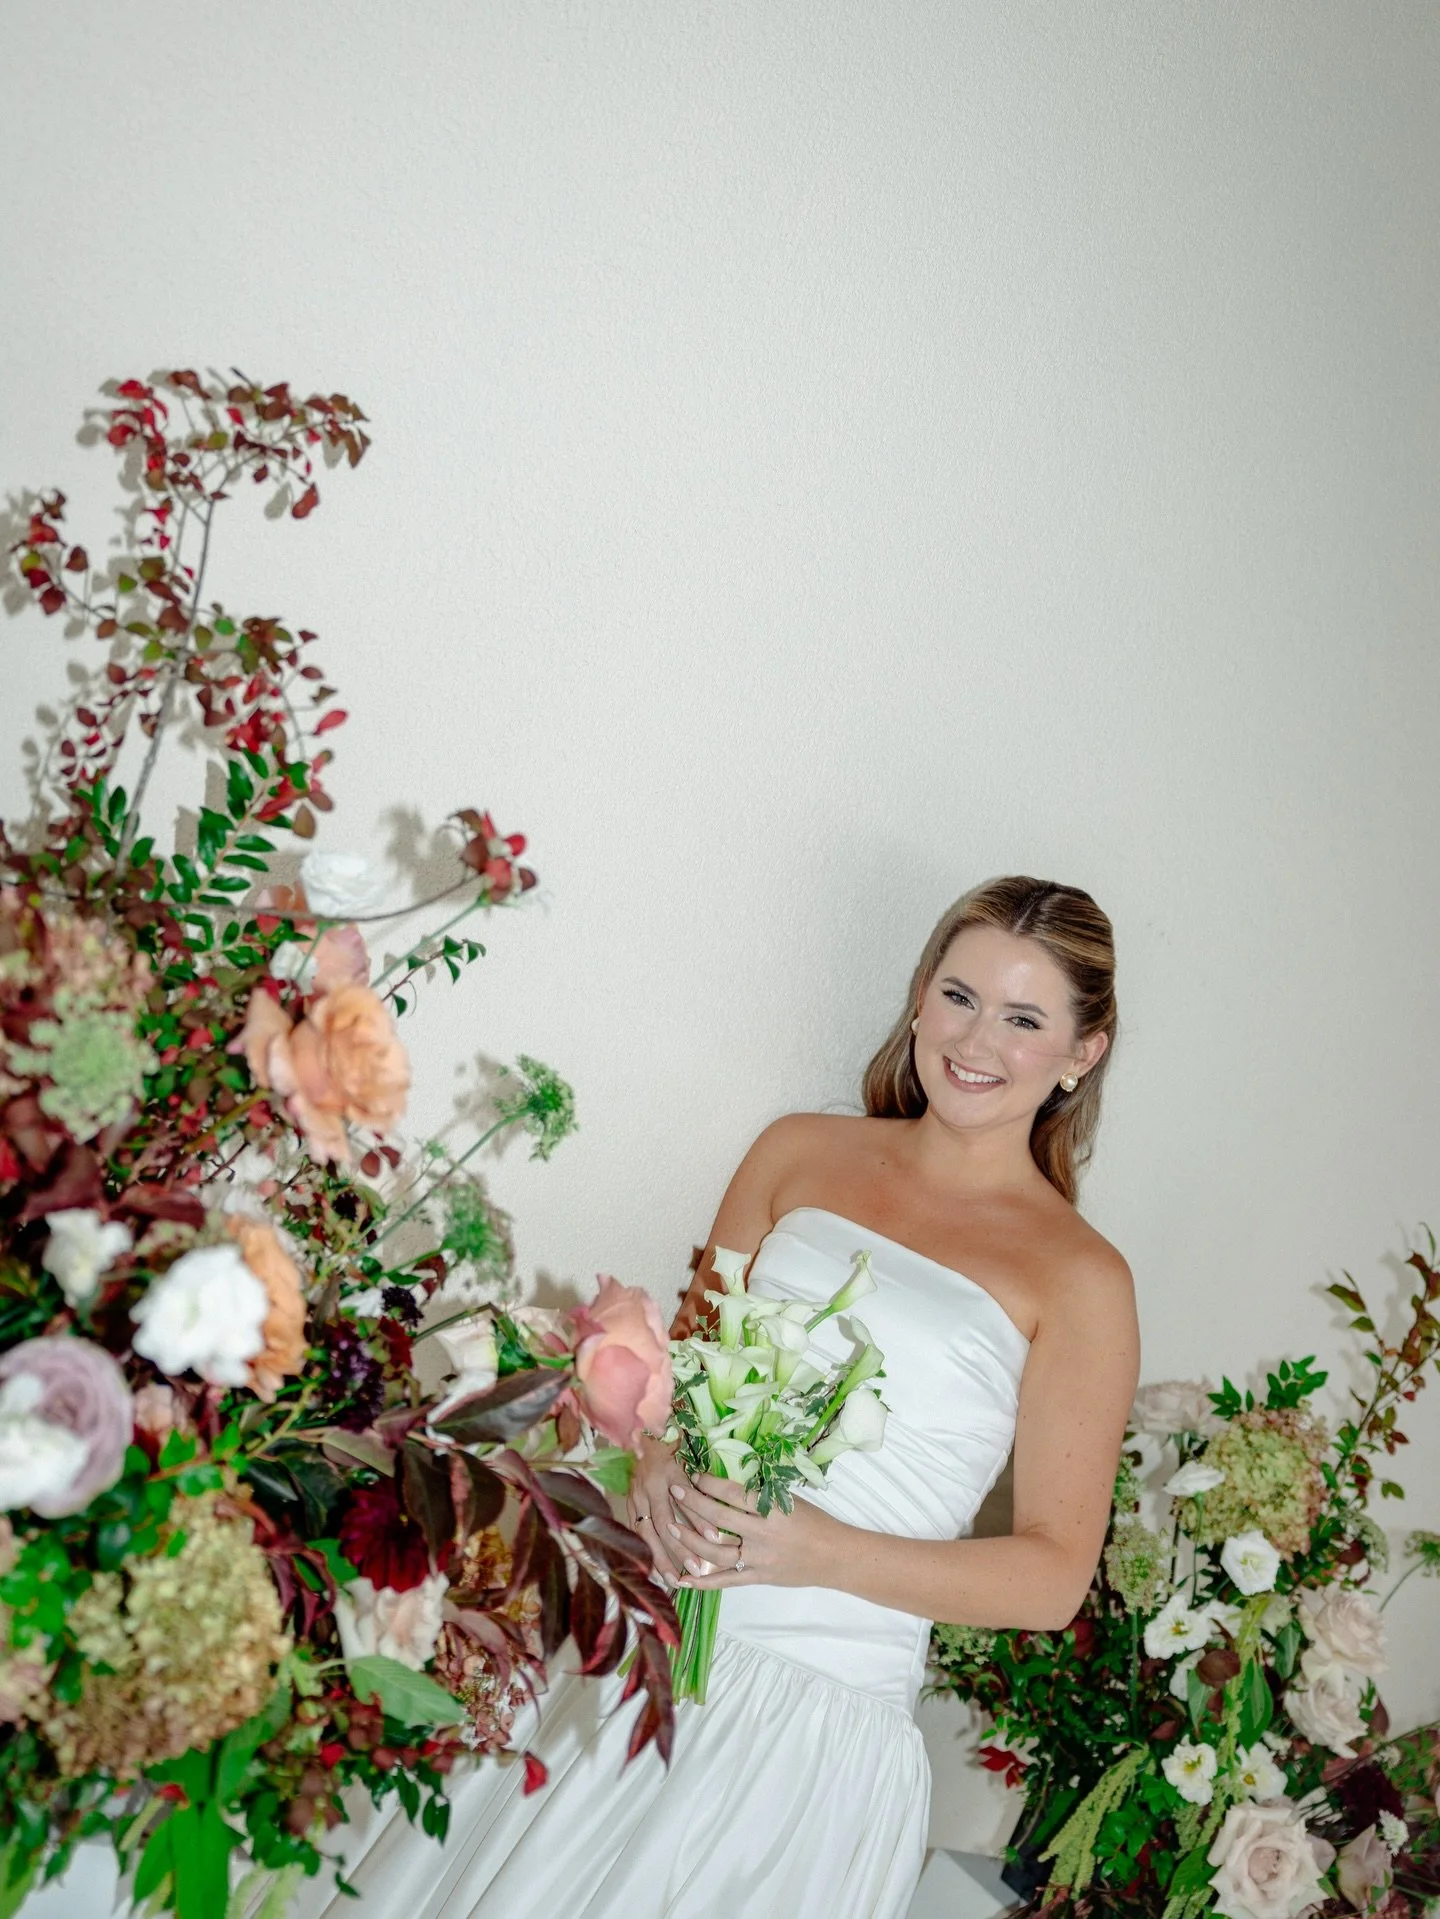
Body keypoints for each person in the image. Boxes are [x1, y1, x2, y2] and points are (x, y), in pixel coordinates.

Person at [291, 876, 1139, 1919]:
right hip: (637, 1637)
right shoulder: (798, 1150)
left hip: (810, 1737)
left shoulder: (1081, 1277)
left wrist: (817, 1547)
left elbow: (1053, 1577)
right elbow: (677, 1380)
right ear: (920, 993)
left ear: (1080, 1052)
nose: (978, 1039)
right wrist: (651, 1462)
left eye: (1025, 1018)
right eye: (959, 994)